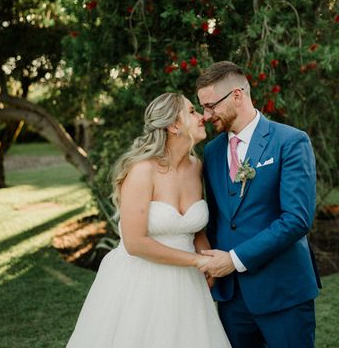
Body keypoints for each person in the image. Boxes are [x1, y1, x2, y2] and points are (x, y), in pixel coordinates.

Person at [66, 93, 231, 348]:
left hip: (188, 284)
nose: (202, 117)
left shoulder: (197, 166)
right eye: (192, 111)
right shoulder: (142, 170)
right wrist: (197, 261)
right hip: (142, 282)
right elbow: (135, 243)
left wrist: (206, 258)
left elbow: (194, 228)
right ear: (174, 126)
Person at [196, 61, 322, 348]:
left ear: (237, 96)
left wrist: (234, 260)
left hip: (283, 292)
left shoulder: (290, 141)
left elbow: (296, 219)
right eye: (203, 107)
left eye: (211, 105)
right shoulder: (213, 151)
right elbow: (218, 217)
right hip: (232, 298)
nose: (206, 115)